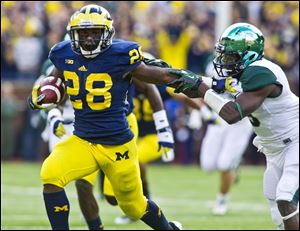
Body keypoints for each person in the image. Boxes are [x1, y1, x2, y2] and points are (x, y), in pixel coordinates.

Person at [27, 4, 190, 230]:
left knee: (132, 205)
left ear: (107, 34)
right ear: (73, 34)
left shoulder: (122, 55)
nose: (89, 39)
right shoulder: (62, 53)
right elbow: (55, 84)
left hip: (117, 143)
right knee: (51, 173)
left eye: (95, 32)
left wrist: (194, 83)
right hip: (83, 139)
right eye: (83, 33)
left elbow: (156, 79)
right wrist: (41, 98)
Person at [169, 22, 299, 230]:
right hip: (274, 149)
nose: (224, 61)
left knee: (285, 197)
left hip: (295, 142)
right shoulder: (243, 73)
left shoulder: (261, 72)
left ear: (248, 55)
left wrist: (202, 90)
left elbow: (233, 114)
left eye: (230, 56)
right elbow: (219, 85)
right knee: (275, 205)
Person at [101, 53, 201, 225]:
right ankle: (144, 202)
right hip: (134, 137)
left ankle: (140, 204)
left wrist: (204, 112)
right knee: (138, 168)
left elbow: (182, 96)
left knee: (134, 162)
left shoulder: (156, 89)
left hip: (155, 137)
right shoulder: (124, 84)